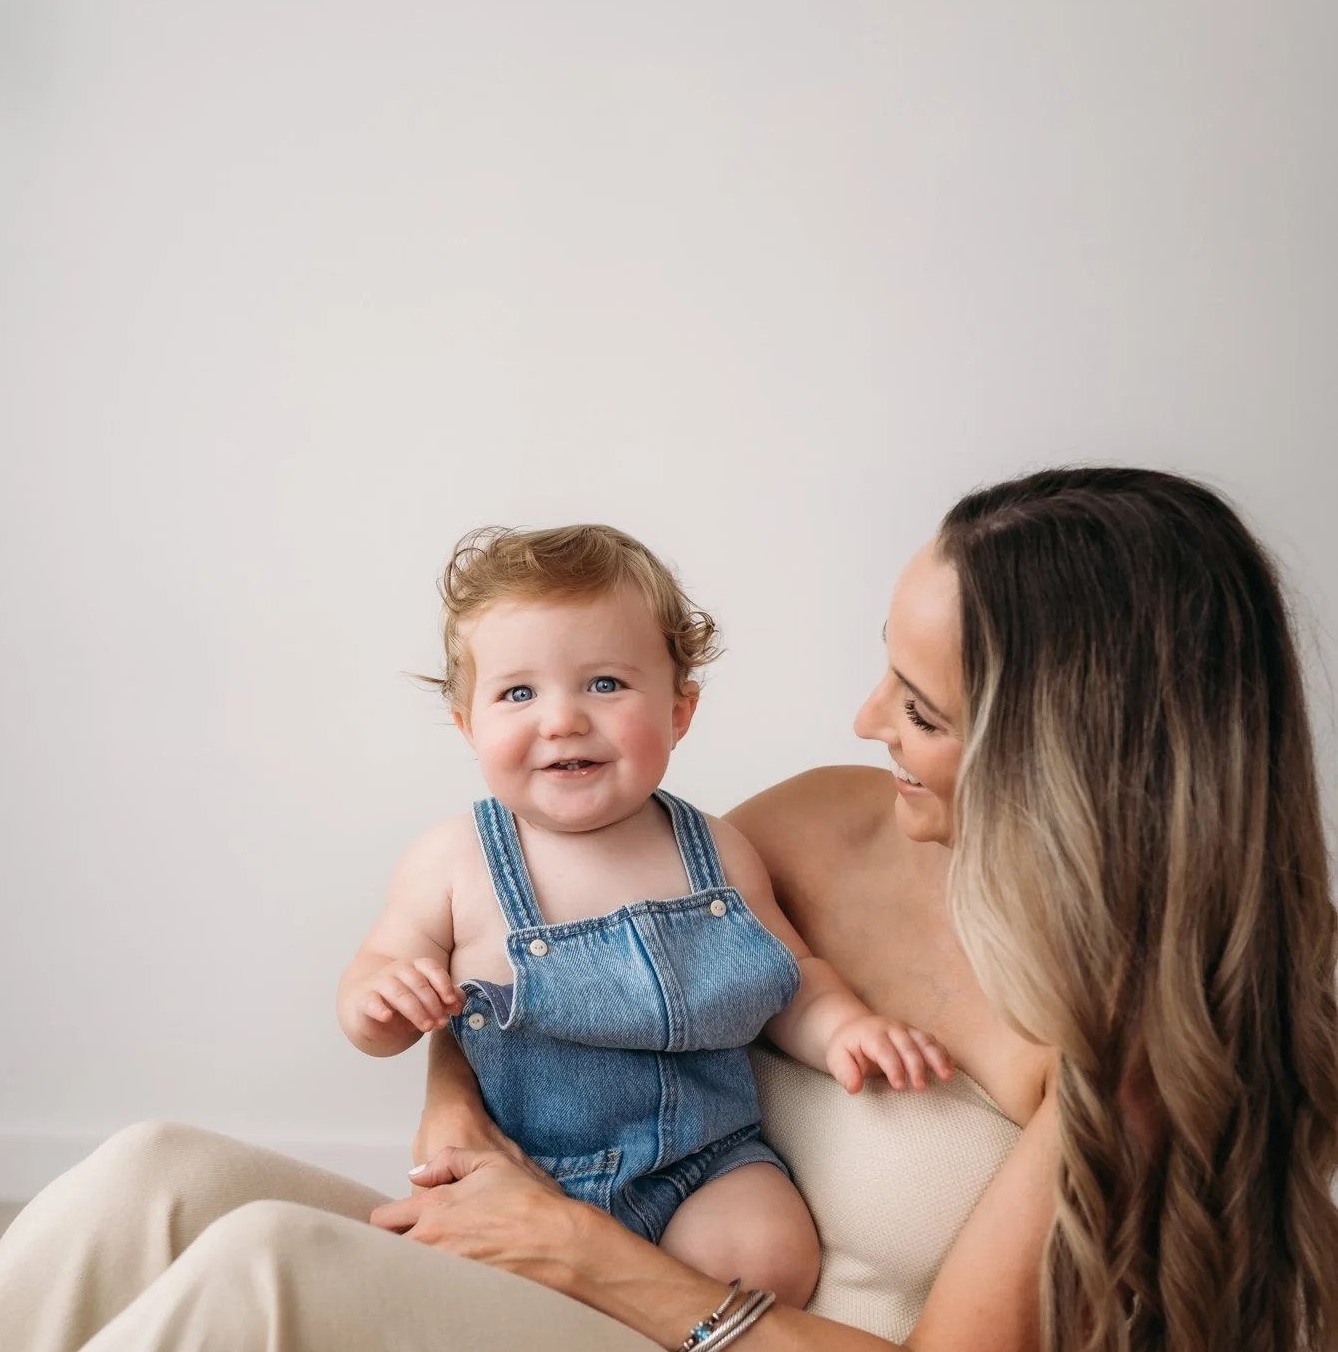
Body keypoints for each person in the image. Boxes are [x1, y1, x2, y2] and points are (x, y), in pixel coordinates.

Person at [0, 469, 1336, 1352]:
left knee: (268, 1286)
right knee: (154, 1191)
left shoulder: (1145, 1043)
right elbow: (566, 962)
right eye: (886, 672)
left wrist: (580, 1253)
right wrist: (455, 1095)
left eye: (920, 709)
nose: (866, 718)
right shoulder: (823, 822)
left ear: (1074, 748)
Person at [337, 522, 951, 1306]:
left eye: (605, 684)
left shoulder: (716, 853)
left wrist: (846, 1030)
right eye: (518, 693)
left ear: (678, 712)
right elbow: (375, 981)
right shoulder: (455, 860)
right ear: (468, 726)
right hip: (523, 1175)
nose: (562, 719)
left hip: (706, 1162)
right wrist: (382, 1002)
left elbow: (789, 977)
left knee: (766, 1254)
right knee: (463, 1296)